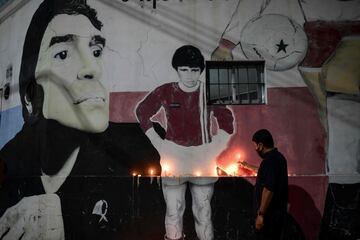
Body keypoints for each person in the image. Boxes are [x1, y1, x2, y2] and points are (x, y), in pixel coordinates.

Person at [0, 0, 159, 239]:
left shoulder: (134, 150)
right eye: (62, 54)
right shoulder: (10, 161)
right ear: (30, 95)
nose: (92, 68)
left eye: (96, 52)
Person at [136, 45, 235, 240]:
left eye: (194, 70)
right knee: (174, 210)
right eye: (184, 70)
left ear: (200, 71)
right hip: (174, 155)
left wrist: (215, 147)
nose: (189, 75)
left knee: (203, 211)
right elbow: (142, 112)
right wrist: (158, 142)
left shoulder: (209, 92)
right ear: (177, 70)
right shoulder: (166, 91)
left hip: (203, 156)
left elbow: (227, 120)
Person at [241, 129, 288, 240]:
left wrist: (261, 215)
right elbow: (266, 172)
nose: (255, 148)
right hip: (278, 215)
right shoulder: (279, 158)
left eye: (255, 145)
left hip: (269, 217)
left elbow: (269, 189)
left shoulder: (269, 161)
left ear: (261, 145)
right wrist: (247, 166)